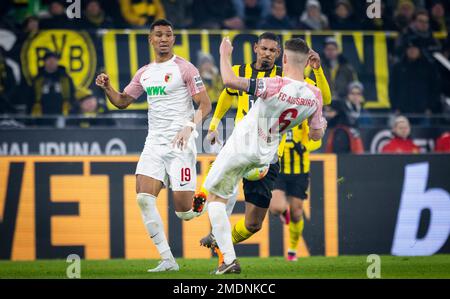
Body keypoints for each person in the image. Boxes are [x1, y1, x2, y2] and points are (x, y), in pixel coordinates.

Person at [195, 32, 331, 265]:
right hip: (267, 157)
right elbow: (318, 125)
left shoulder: (275, 82)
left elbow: (229, 82)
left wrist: (224, 55)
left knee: (215, 199)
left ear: (282, 58)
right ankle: (223, 248)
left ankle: (221, 246)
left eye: (273, 51)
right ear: (257, 49)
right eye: (264, 49)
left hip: (242, 146)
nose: (268, 54)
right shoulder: (313, 94)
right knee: (251, 221)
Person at [95, 19, 212, 272]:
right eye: (158, 35)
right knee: (143, 199)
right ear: (151, 39)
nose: (163, 39)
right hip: (154, 143)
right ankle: (168, 260)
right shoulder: (144, 73)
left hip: (181, 143)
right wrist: (107, 87)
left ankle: (208, 195)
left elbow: (205, 104)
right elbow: (123, 101)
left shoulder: (185, 68)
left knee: (185, 213)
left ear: (173, 39)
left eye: (168, 35)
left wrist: (189, 126)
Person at [269, 120, 321, 262]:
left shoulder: (304, 116)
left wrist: (305, 146)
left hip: (300, 172)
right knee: (275, 209)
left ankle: (292, 250)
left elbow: (317, 140)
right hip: (279, 170)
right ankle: (284, 211)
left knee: (297, 214)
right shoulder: (276, 114)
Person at [389, 40, 441, 118]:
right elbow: (392, 88)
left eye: (414, 49)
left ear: (419, 50)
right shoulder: (398, 67)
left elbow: (435, 88)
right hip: (402, 111)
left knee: (425, 130)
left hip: (424, 111)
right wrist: (395, 107)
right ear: (406, 50)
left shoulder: (429, 67)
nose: (412, 51)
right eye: (409, 49)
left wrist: (431, 107)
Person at [30, 51, 76, 118]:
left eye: (54, 60)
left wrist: (71, 110)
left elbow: (72, 94)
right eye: (49, 59)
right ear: (44, 62)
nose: (52, 62)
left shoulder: (65, 78)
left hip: (62, 112)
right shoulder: (38, 79)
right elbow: (31, 97)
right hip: (42, 113)